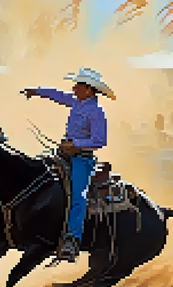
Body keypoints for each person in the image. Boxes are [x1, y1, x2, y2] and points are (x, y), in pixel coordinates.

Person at [22, 67, 113, 263]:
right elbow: (57, 95)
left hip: (82, 159)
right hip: (65, 155)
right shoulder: (77, 102)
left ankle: (73, 239)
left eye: (78, 86)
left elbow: (100, 140)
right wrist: (37, 91)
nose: (74, 88)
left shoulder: (97, 112)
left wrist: (75, 144)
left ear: (89, 90)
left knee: (78, 196)